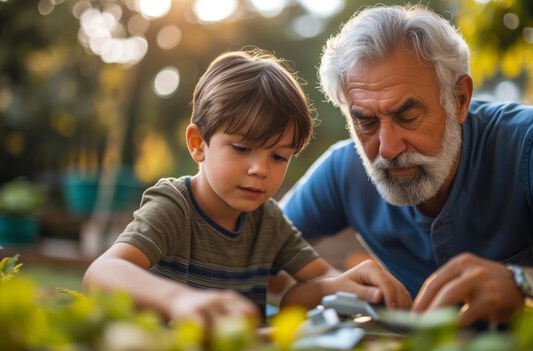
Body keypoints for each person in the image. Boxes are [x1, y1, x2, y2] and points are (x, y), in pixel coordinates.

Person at [280, 4, 533, 328]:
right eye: (365, 122)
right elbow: (252, 249)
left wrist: (524, 286)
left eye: (408, 116)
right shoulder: (343, 171)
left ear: (459, 100)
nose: (387, 148)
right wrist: (327, 286)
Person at [83, 50, 410, 329]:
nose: (260, 170)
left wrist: (349, 283)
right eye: (241, 149)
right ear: (198, 144)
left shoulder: (268, 221)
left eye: (278, 156)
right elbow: (101, 272)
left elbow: (303, 292)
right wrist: (178, 299)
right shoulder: (174, 207)